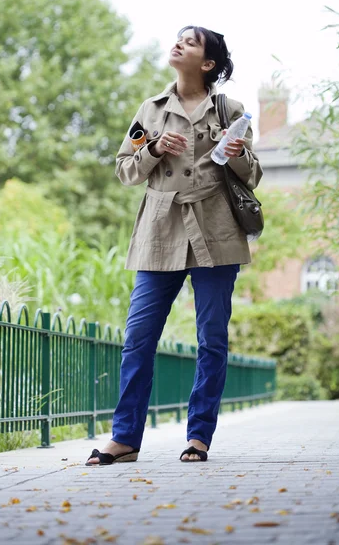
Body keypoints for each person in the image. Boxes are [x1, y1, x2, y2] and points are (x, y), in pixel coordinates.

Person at [86, 26, 263, 466]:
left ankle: (199, 437)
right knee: (138, 339)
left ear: (207, 64)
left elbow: (252, 174)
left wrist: (237, 151)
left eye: (191, 41)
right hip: (159, 230)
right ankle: (125, 437)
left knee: (212, 341)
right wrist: (155, 149)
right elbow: (126, 170)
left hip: (216, 230)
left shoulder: (230, 108)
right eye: (178, 38)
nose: (178, 43)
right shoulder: (151, 109)